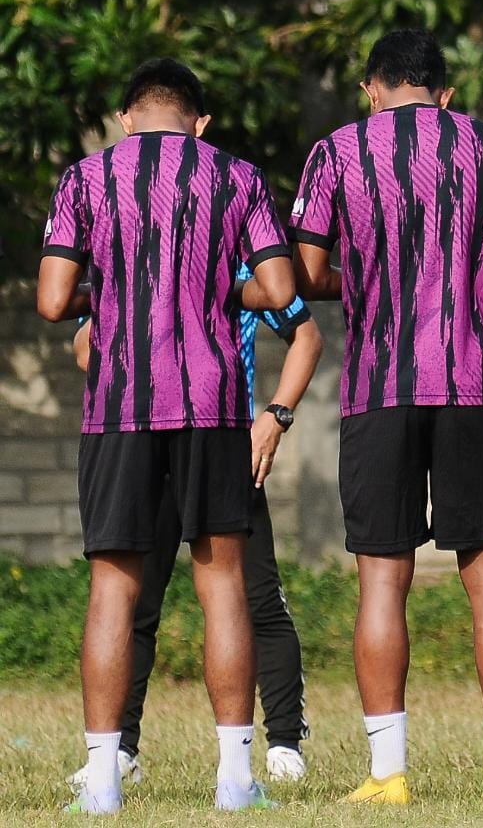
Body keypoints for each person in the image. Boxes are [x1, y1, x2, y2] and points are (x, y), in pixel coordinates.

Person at [290, 28, 483, 802]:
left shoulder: (335, 153)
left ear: (372, 88)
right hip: (471, 383)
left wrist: (365, 277)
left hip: (378, 386)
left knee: (381, 580)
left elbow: (305, 272)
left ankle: (388, 774)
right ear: (446, 91)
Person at [36, 58, 295, 814]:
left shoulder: (86, 178)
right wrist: (216, 283)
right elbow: (279, 290)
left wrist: (114, 285)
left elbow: (54, 301)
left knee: (113, 588)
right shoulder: (237, 176)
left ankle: (105, 783)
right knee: (222, 589)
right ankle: (235, 780)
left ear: (126, 116)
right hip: (213, 402)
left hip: (117, 405)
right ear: (198, 120)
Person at [65, 266, 320, 790]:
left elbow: (307, 336)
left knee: (257, 597)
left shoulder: (238, 267)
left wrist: (276, 415)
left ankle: (284, 743)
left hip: (216, 441)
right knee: (134, 602)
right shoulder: (131, 264)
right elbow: (85, 348)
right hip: (145, 442)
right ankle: (120, 753)